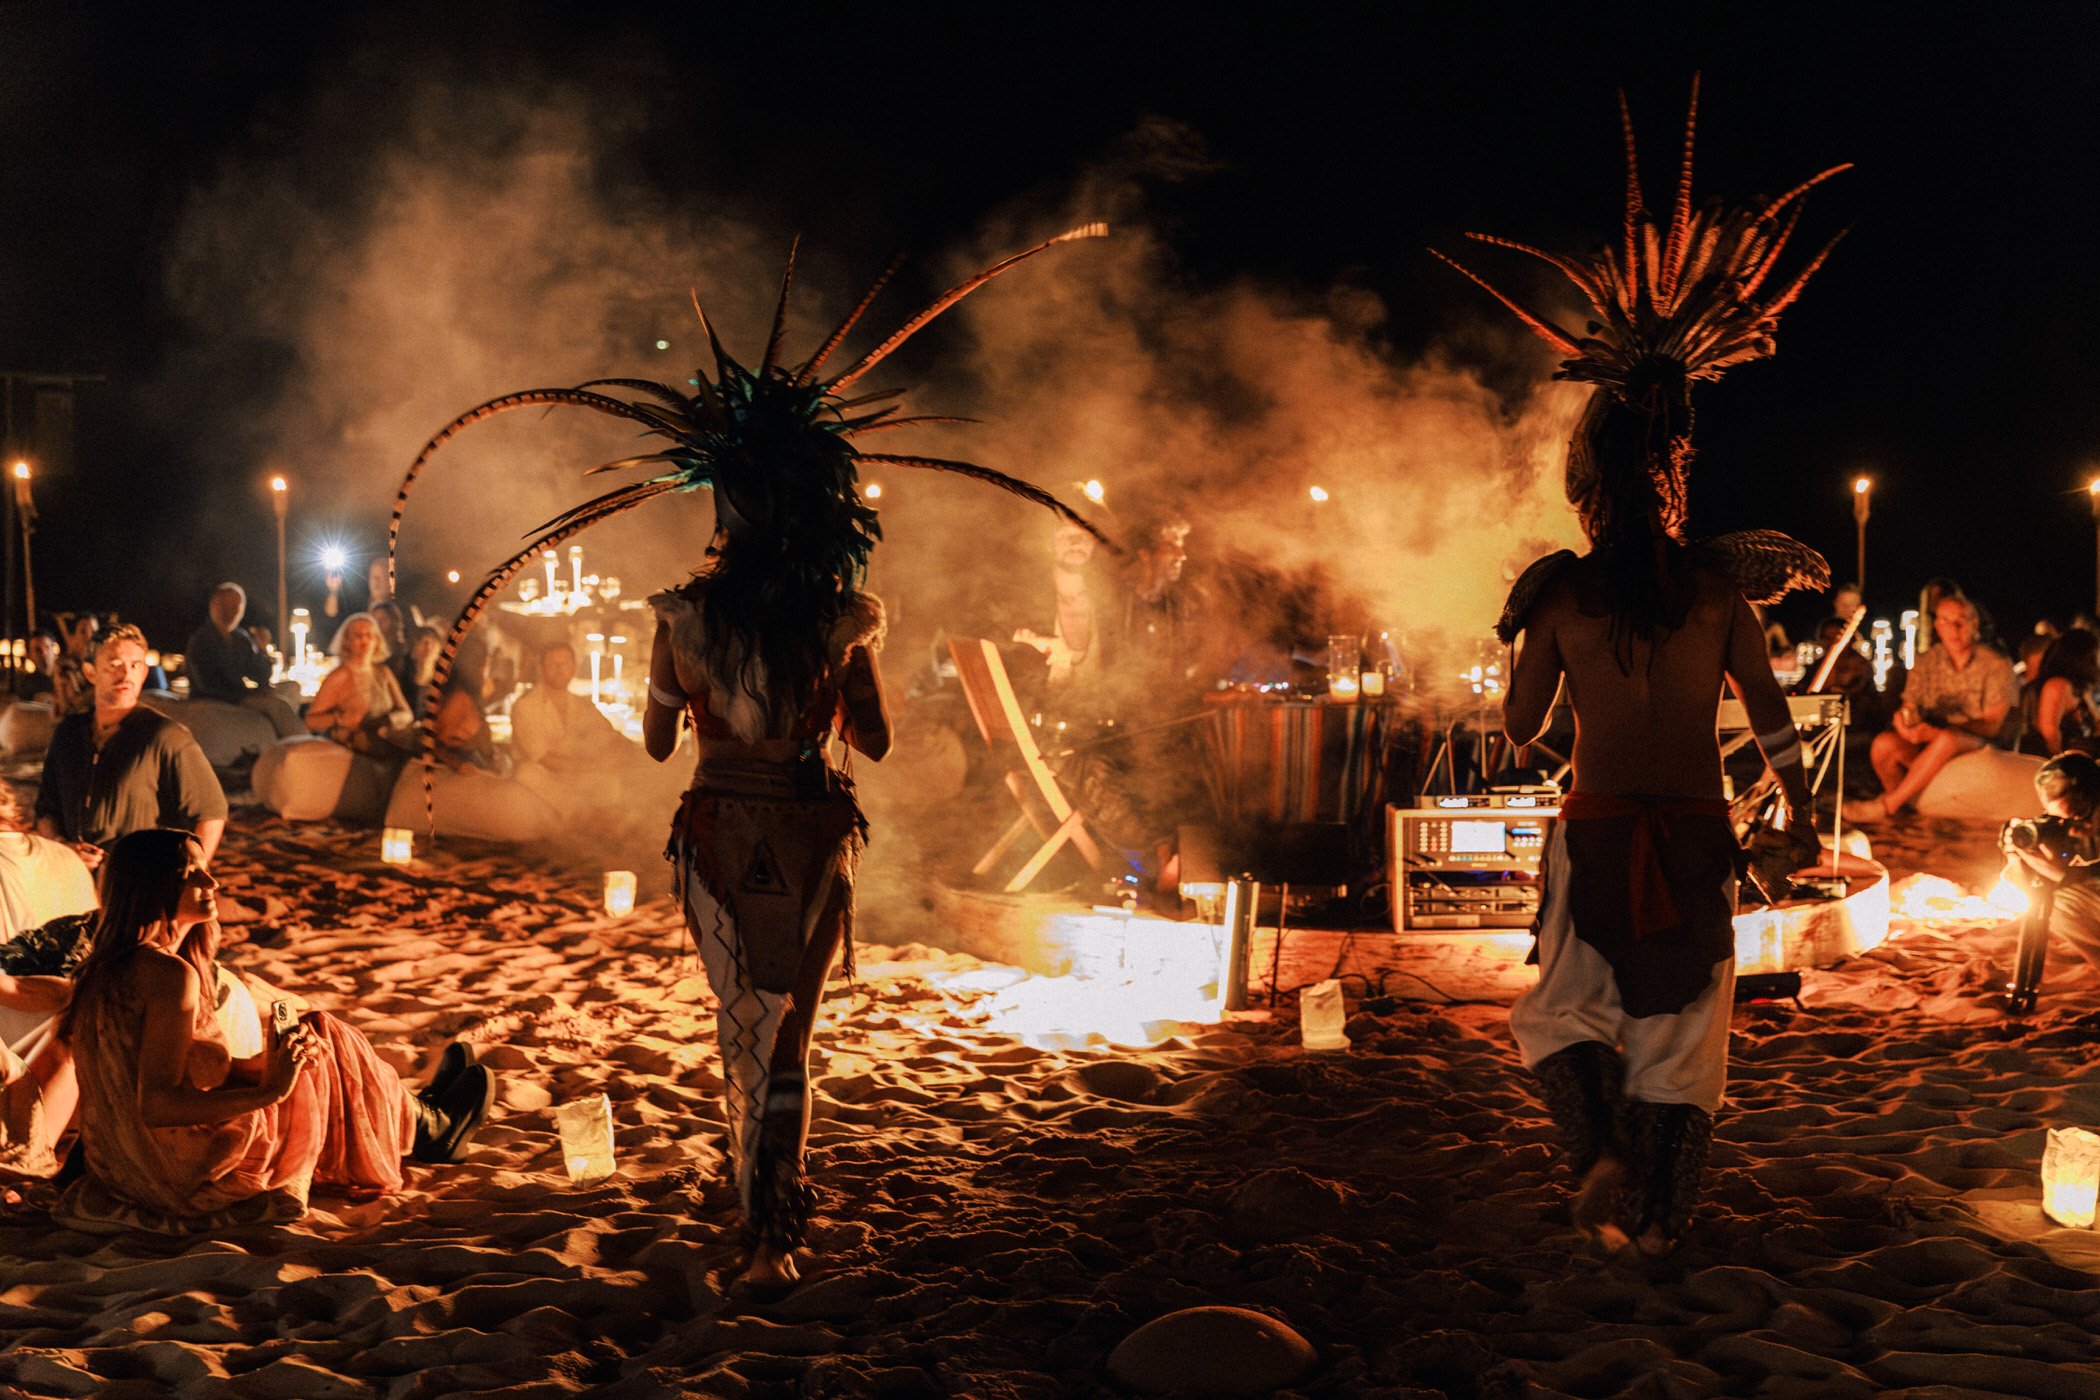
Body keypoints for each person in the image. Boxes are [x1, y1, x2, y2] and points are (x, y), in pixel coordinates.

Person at [646, 513, 891, 1296]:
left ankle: (759, 1219)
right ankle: (773, 1241)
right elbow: (876, 740)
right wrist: (837, 679)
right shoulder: (839, 618)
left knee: (746, 1022)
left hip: (720, 833)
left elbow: (657, 742)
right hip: (809, 833)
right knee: (791, 1044)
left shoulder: (685, 619)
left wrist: (705, 695)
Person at [52, 829, 495, 1232]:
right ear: (151, 887)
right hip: (176, 1174)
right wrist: (271, 1090)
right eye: (192, 875)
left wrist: (267, 1066)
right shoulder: (168, 975)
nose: (212, 883)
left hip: (124, 1164)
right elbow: (157, 1105)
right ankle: (431, 1127)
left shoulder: (107, 968)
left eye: (207, 869)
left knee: (307, 1042)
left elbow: (152, 1076)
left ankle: (422, 1114)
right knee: (327, 1037)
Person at [34, 625, 227, 870]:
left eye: (135, 665)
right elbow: (46, 809)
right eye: (114, 664)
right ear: (90, 672)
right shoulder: (68, 734)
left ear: (144, 672)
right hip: (74, 879)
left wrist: (188, 877)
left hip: (137, 882)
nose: (126, 674)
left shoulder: (165, 736)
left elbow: (211, 812)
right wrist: (62, 847)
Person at [1846, 593, 2018, 823]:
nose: (1953, 629)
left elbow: (1992, 726)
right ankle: (1908, 807)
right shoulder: (1927, 661)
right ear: (1937, 625)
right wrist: (1906, 724)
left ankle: (1888, 806)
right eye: (1945, 621)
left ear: (1974, 624)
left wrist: (1938, 733)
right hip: (1930, 743)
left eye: (1960, 621)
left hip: (1976, 744)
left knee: (1948, 739)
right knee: (1883, 745)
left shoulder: (1995, 664)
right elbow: (1909, 706)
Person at [1999, 753, 2100, 978]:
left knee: (2060, 905)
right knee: (2045, 901)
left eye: (2078, 815)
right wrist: (2018, 853)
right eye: (2058, 819)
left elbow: (2085, 877)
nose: (2072, 826)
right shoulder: (2068, 821)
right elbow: (2019, 884)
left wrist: (2065, 874)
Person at [183, 583, 305, 738]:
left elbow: (261, 675)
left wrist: (262, 648)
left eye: (237, 606)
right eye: (226, 606)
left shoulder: (240, 638)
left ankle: (278, 737)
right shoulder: (201, 640)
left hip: (242, 695)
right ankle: (301, 742)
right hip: (215, 702)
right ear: (213, 606)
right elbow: (206, 686)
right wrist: (249, 693)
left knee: (291, 689)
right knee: (278, 705)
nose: (233, 611)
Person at [304, 612, 413, 758]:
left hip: (386, 749)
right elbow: (310, 721)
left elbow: (407, 713)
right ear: (347, 641)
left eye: (369, 635)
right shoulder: (340, 676)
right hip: (352, 755)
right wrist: (339, 719)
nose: (364, 640)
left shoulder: (383, 673)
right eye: (358, 635)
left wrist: (390, 721)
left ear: (377, 640)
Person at [2020, 629, 2100, 757]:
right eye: (2096, 654)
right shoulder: (2057, 685)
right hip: (2047, 763)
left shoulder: (2078, 688)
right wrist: (2063, 765)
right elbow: (2050, 734)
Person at [52, 613, 97, 718]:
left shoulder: (102, 663)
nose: (89, 636)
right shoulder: (64, 665)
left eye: (94, 632)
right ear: (74, 635)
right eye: (83, 631)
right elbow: (71, 701)